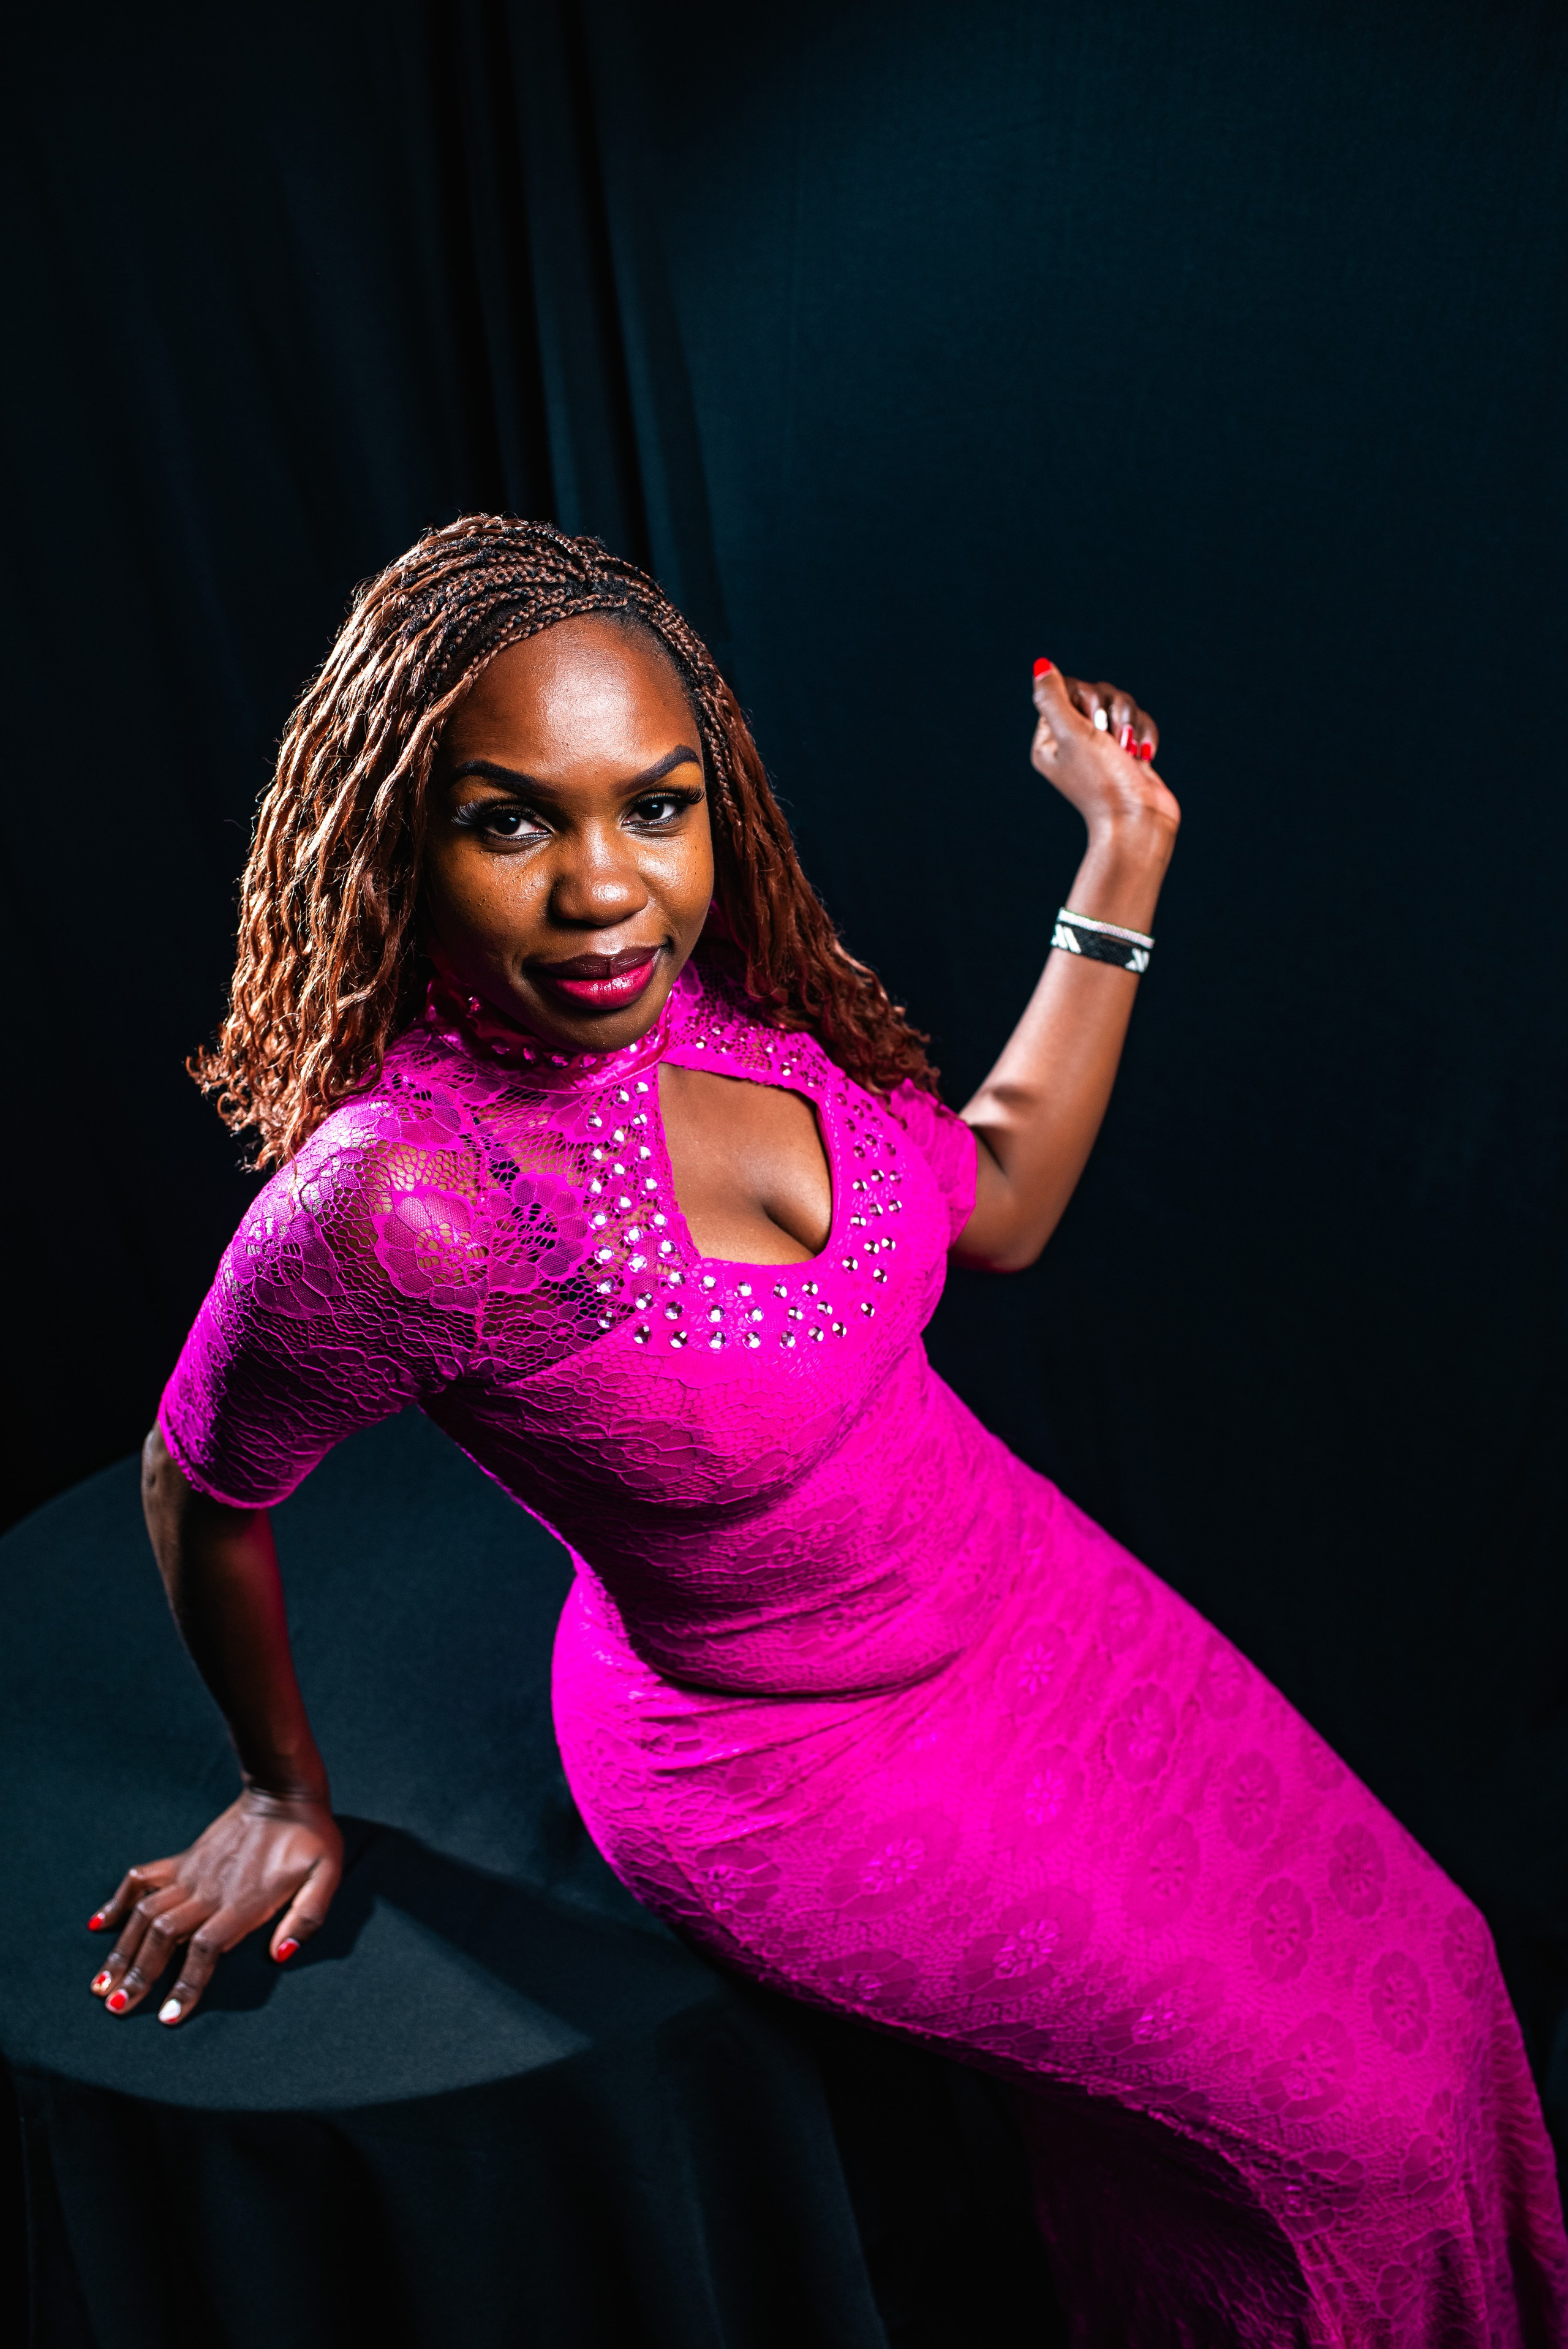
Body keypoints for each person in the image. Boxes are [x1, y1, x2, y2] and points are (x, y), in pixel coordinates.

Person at [86, 516, 1566, 2343]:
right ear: (404, 837)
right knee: (1348, 2142)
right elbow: (194, 1473)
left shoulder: (741, 1008)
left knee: (1444, 1980)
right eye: (513, 819)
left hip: (1019, 1592)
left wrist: (1125, 851)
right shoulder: (405, 1208)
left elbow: (1004, 1195)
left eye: (656, 804)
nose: (608, 890)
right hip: (789, 1761)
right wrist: (278, 1785)